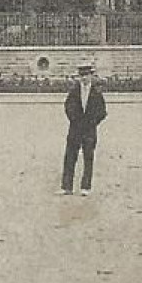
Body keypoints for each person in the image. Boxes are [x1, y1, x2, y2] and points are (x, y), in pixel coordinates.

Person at [61, 63, 107, 196]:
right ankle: (66, 186)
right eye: (82, 76)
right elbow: (67, 106)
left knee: (88, 158)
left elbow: (102, 111)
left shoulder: (97, 92)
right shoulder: (74, 91)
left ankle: (85, 187)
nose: (84, 78)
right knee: (70, 157)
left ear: (91, 76)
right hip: (75, 128)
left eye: (86, 75)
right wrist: (74, 119)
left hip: (89, 130)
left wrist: (92, 122)